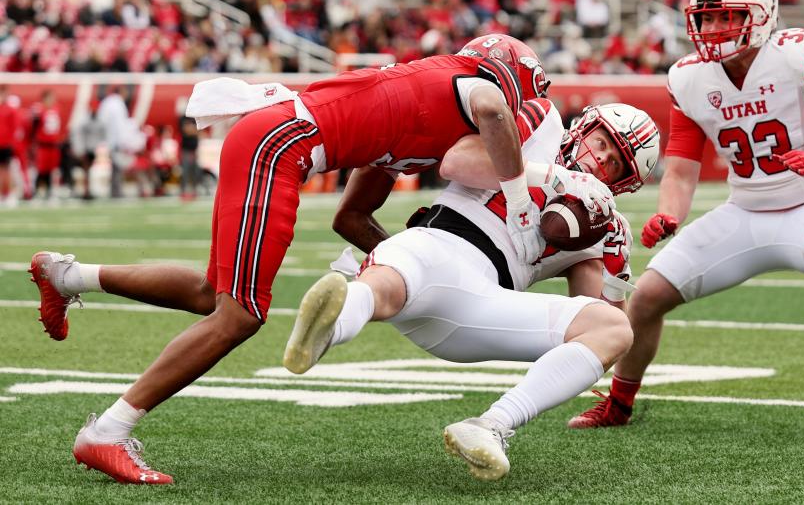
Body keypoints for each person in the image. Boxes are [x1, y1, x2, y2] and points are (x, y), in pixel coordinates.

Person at [28, 35, 606, 485]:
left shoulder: (418, 100)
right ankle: (108, 430)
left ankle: (68, 275)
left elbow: (348, 220)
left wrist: (404, 263)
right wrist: (525, 205)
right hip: (280, 146)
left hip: (273, 138)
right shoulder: (471, 87)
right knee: (241, 314)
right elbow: (492, 111)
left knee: (215, 293)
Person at [569, 0, 804, 432]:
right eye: (706, 17)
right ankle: (619, 404)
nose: (714, 27)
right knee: (645, 298)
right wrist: (668, 214)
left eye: (727, 15)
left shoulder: (798, 54)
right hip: (745, 209)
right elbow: (682, 170)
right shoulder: (689, 77)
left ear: (762, 13)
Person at [283, 101, 661, 480]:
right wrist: (550, 177)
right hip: (438, 243)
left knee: (614, 328)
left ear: (621, 183)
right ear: (584, 127)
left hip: (482, 303)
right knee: (386, 282)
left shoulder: (596, 225)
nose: (599, 160)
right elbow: (456, 162)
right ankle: (329, 329)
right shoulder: (540, 124)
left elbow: (592, 317)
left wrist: (615, 273)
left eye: (613, 163)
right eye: (602, 144)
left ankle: (492, 424)